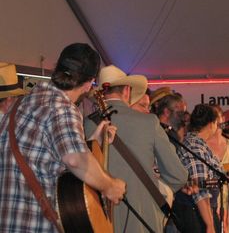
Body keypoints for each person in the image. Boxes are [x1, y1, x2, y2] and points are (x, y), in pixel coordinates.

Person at [0, 43, 126, 232]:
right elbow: (75, 160)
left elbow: (45, 155)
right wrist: (110, 186)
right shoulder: (62, 107)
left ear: (56, 67)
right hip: (34, 224)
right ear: (88, 83)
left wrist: (92, 143)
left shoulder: (22, 103)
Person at [84, 65, 188, 233]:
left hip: (98, 218)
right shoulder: (149, 122)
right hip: (142, 217)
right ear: (127, 90)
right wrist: (158, 189)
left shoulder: (86, 124)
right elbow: (178, 175)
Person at [173, 104, 221, 233]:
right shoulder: (195, 146)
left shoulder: (199, 144)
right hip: (198, 215)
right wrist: (209, 225)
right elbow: (199, 189)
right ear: (212, 124)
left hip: (203, 212)